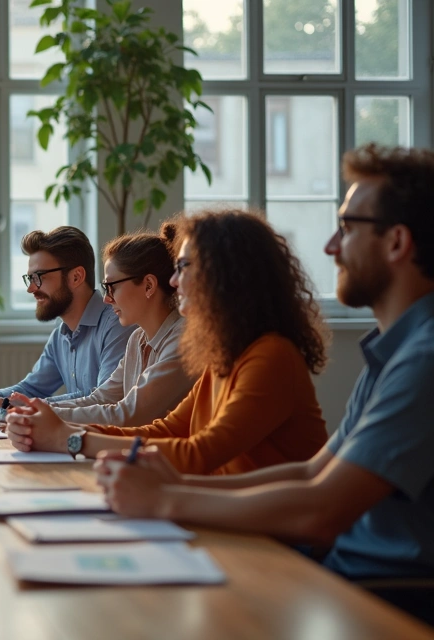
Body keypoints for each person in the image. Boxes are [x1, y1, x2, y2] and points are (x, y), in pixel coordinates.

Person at [97, 145, 434, 624]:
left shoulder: (423, 358)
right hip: (341, 568)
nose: (330, 247)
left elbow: (321, 510)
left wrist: (167, 497)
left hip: (383, 592)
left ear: (397, 242)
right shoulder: (393, 350)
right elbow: (310, 473)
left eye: (346, 228)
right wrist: (175, 486)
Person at [7, 209, 329, 475]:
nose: (174, 281)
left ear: (227, 275)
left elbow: (197, 452)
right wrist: (64, 432)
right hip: (229, 515)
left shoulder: (271, 357)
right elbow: (164, 429)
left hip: (270, 537)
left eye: (183, 267)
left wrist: (71, 439)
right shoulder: (223, 356)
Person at [0, 226, 135, 422]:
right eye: (29, 278)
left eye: (38, 277)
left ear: (76, 277)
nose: (31, 288)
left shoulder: (117, 325)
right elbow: (31, 388)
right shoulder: (60, 335)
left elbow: (103, 399)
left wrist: (2, 406)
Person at [47, 223, 194, 426]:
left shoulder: (183, 341)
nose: (106, 299)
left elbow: (128, 414)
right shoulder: (137, 338)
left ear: (149, 285)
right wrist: (34, 409)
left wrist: (44, 416)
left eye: (111, 287)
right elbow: (101, 398)